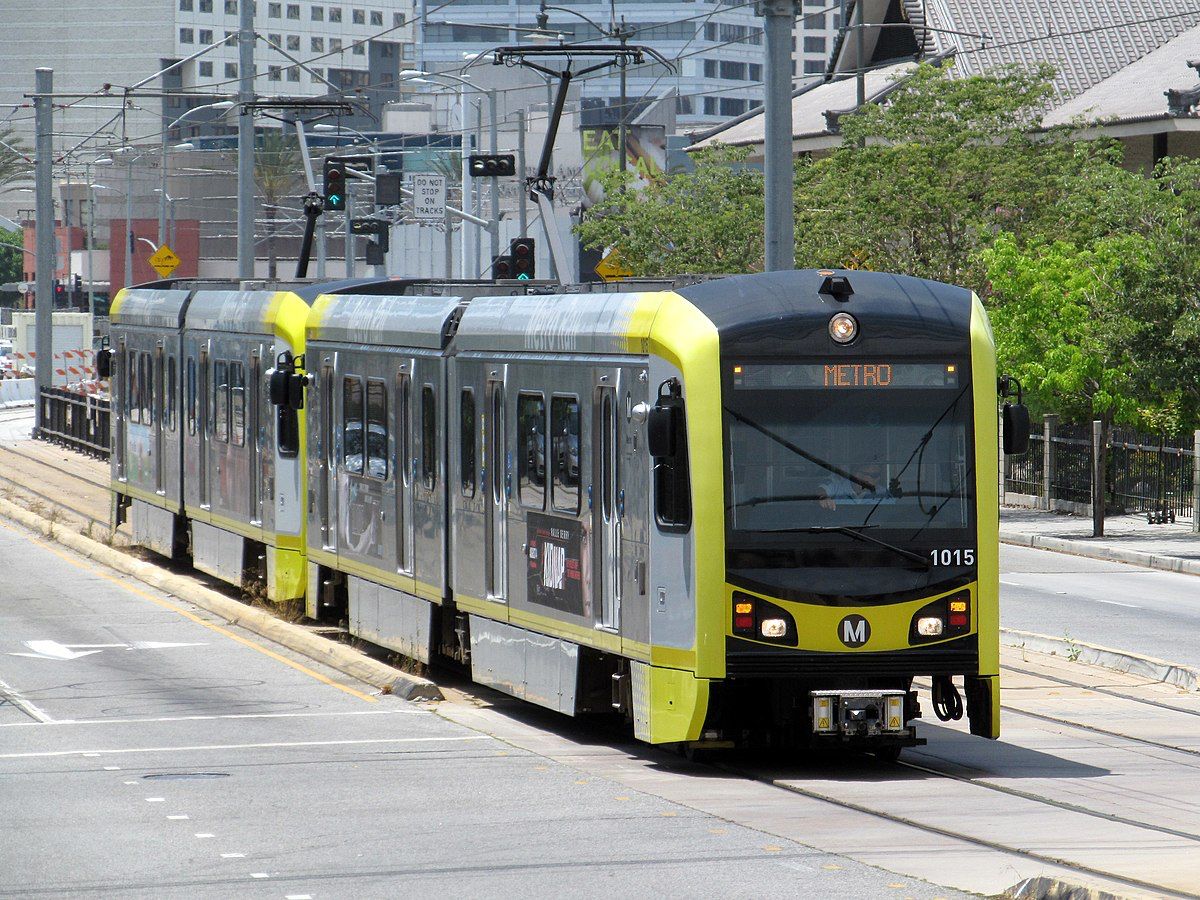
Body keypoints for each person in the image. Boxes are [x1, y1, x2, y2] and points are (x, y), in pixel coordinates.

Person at [818, 460, 890, 510]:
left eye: (877, 475)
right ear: (856, 473)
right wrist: (824, 497)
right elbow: (821, 489)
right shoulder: (838, 484)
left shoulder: (884, 494)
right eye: (873, 475)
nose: (875, 479)